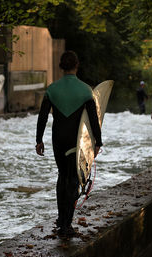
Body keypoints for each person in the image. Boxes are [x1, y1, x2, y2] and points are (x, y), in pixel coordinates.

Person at [36, 51, 102, 236]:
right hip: (76, 141)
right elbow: (93, 120)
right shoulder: (86, 90)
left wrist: (38, 140)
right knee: (73, 178)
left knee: (61, 176)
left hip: (58, 139)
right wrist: (98, 142)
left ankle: (60, 218)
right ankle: (67, 224)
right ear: (77, 65)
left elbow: (42, 117)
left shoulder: (52, 89)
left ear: (60, 67)